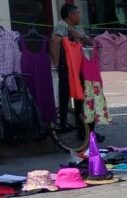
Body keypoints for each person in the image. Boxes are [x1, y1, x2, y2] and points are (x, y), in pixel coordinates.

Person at [50, 4, 95, 134]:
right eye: (78, 13)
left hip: (79, 66)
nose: (80, 16)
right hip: (67, 67)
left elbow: (88, 41)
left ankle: (84, 130)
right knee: (65, 97)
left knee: (83, 97)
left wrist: (81, 37)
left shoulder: (76, 28)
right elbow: (54, 42)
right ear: (71, 15)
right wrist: (57, 63)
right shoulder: (61, 26)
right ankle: (64, 126)